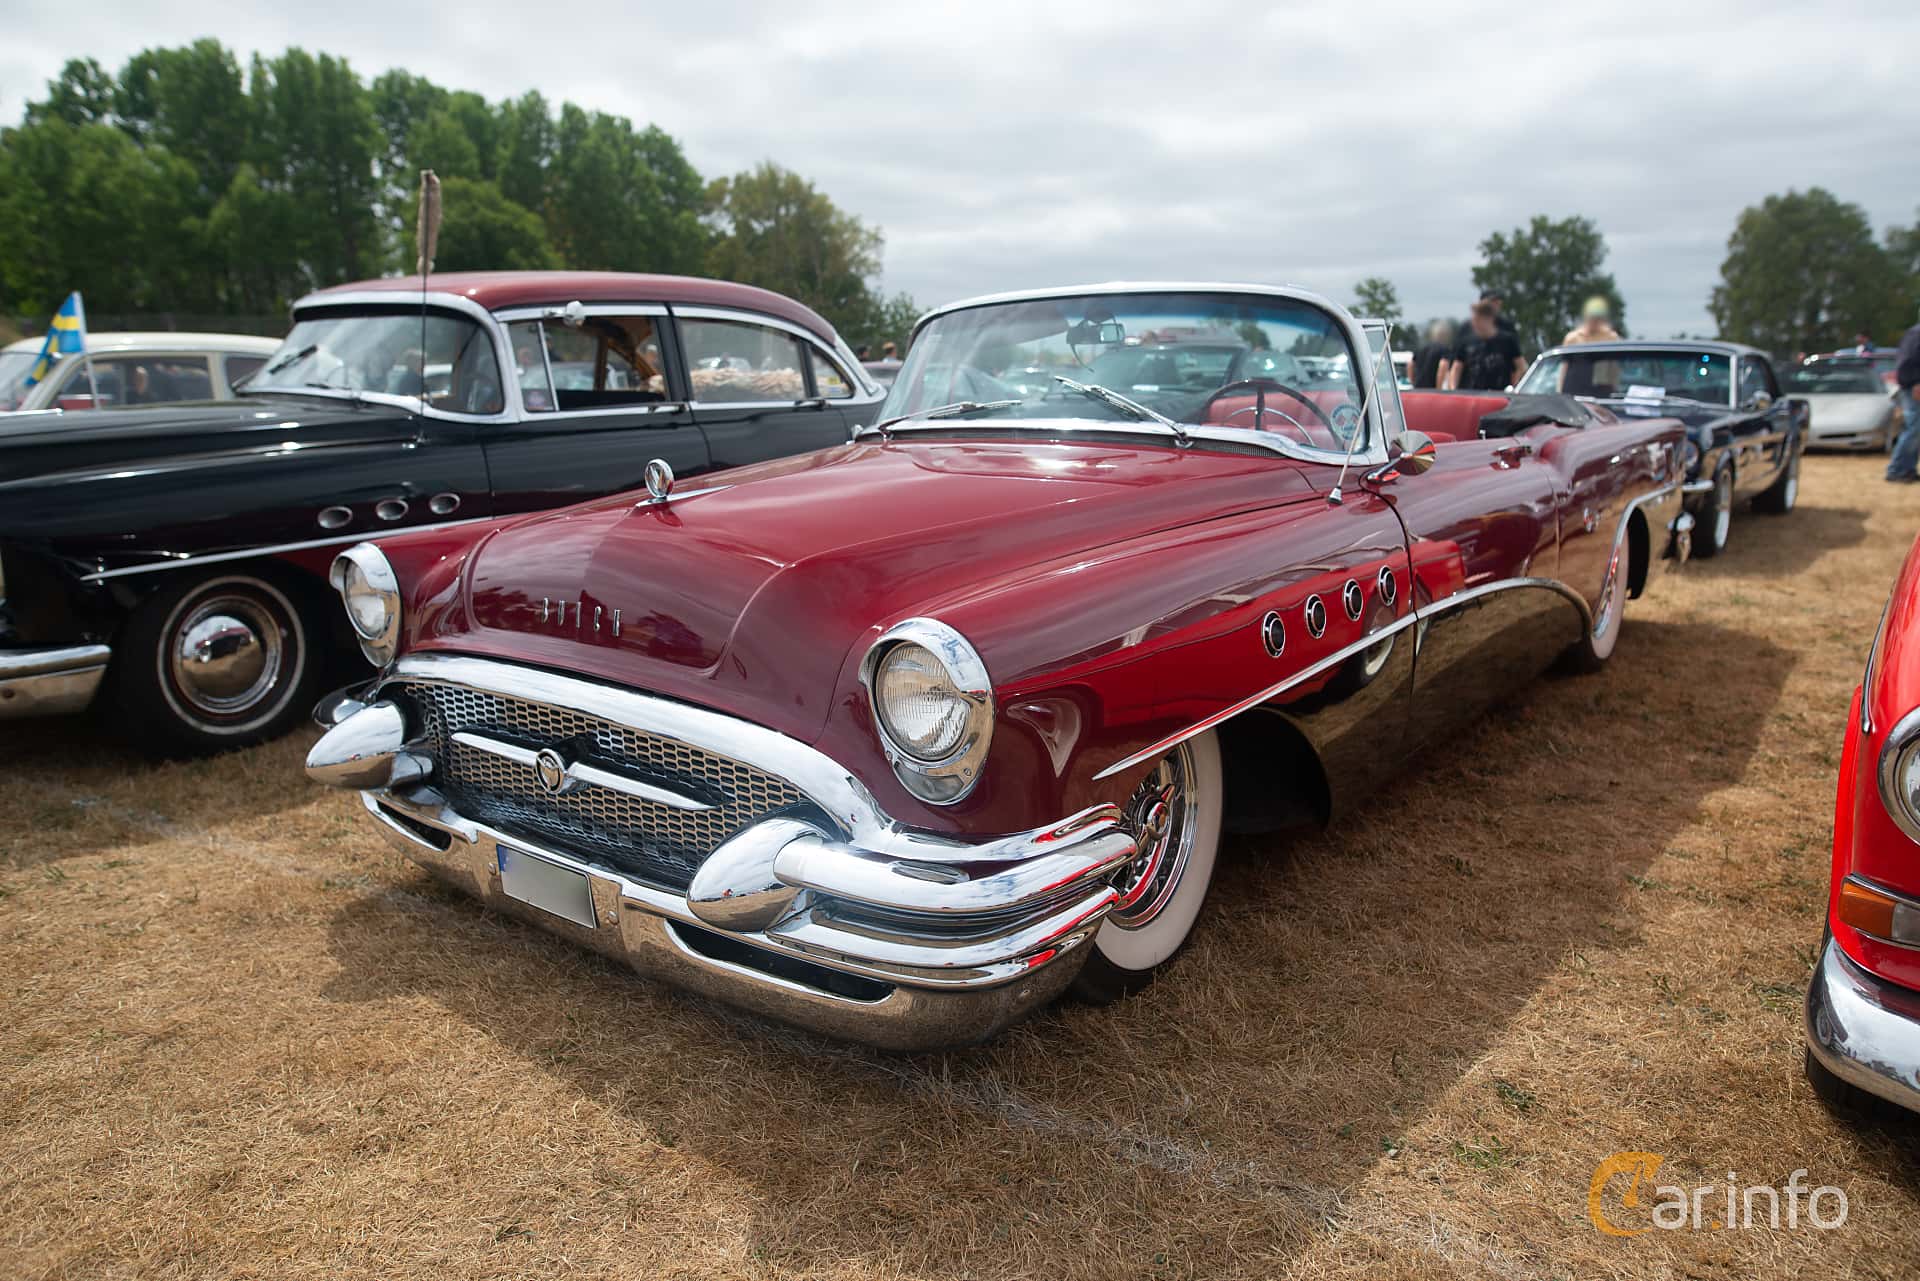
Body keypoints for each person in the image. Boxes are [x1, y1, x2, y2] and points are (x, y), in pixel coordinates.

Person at [1444, 302, 1526, 391]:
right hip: (1472, 394)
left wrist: (1514, 388)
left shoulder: (1507, 341)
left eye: (1477, 319)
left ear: (1489, 319)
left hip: (1500, 394)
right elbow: (1456, 369)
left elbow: (1521, 367)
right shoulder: (1466, 342)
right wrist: (1453, 390)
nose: (1474, 323)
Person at [1888, 309, 1920, 483]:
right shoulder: (1916, 334)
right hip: (1914, 387)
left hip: (1913, 385)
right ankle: (1897, 470)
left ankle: (1907, 469)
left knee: (1916, 430)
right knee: (1913, 429)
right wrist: (1916, 383)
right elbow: (1908, 362)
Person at [1411, 319, 1454, 388]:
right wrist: (1438, 388)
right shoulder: (1444, 349)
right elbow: (1443, 365)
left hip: (1418, 389)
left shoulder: (1422, 349)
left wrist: (1413, 382)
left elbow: (1410, 364)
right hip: (1431, 390)